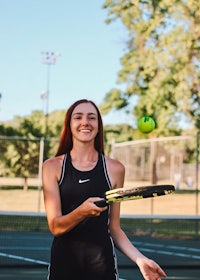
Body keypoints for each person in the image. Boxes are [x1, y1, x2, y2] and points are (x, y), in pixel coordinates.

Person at [42, 99, 166, 280]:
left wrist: (140, 260)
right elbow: (55, 226)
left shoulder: (115, 169)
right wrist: (82, 212)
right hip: (63, 266)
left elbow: (114, 228)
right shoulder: (52, 167)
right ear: (69, 125)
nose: (85, 122)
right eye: (78, 117)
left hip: (102, 267)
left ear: (99, 127)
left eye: (92, 118)